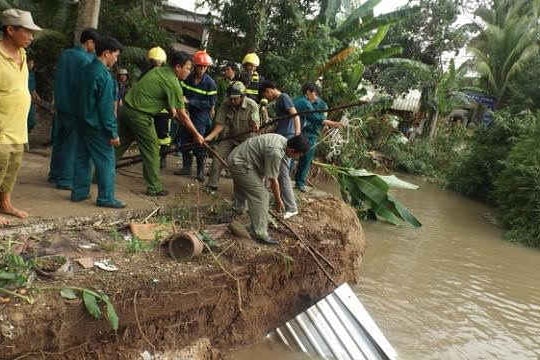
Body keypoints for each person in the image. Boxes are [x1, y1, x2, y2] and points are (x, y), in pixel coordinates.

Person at [115, 50, 204, 196]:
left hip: (126, 110)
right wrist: (196, 134)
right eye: (187, 68)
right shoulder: (173, 82)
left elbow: (166, 102)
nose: (189, 72)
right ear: (178, 67)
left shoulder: (159, 71)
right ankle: (154, 187)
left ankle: (97, 176)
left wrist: (172, 112)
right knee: (152, 150)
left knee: (119, 145)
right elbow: (182, 114)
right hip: (140, 115)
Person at [71, 36, 125, 208]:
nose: (116, 60)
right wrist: (113, 132)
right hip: (97, 126)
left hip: (82, 122)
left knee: (82, 157)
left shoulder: (86, 69)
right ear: (106, 53)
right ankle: (106, 197)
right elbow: (106, 109)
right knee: (107, 160)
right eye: (115, 56)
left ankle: (79, 193)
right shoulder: (104, 76)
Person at [228, 134, 309, 245]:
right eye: (298, 155)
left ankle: (236, 213)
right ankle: (260, 233)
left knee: (246, 188)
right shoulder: (275, 152)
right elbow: (273, 180)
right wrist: (278, 200)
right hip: (240, 163)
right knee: (261, 195)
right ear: (292, 150)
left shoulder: (283, 141)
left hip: (240, 158)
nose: (297, 158)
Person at [0, 8, 42, 225]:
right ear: (10, 30)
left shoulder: (23, 55)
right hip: (2, 128)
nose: (31, 37)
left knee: (12, 170)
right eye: (27, 32)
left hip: (18, 127)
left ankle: (5, 203)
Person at [48, 28, 100, 190]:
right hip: (75, 108)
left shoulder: (66, 55)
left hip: (61, 105)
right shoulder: (86, 60)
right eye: (95, 44)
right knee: (73, 143)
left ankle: (55, 174)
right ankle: (66, 179)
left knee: (60, 141)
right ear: (89, 42)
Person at [205, 81, 259, 191]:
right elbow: (220, 124)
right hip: (229, 137)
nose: (233, 101)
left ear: (242, 96)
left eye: (236, 98)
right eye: (231, 98)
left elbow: (256, 125)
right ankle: (212, 185)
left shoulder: (252, 105)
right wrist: (209, 137)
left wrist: (255, 125)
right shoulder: (226, 104)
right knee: (217, 158)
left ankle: (242, 190)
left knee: (242, 164)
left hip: (246, 140)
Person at [260, 80, 301, 218]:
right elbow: (281, 121)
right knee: (277, 173)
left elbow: (295, 115)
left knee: (283, 173)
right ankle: (281, 201)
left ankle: (291, 207)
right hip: (280, 139)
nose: (267, 97)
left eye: (266, 93)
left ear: (270, 89)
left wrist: (297, 134)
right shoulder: (278, 101)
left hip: (287, 140)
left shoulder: (284, 97)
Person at [293, 82, 343, 192]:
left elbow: (322, 119)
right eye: (314, 94)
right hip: (300, 132)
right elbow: (315, 117)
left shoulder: (322, 105)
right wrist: (333, 123)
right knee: (291, 155)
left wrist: (326, 126)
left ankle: (299, 182)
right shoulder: (304, 102)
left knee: (306, 159)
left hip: (312, 134)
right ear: (308, 92)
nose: (315, 97)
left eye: (316, 95)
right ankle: (286, 180)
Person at [176, 50, 217, 182]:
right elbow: (180, 92)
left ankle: (200, 171)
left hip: (201, 115)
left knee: (199, 142)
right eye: (200, 66)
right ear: (195, 66)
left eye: (205, 67)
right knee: (184, 139)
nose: (202, 69)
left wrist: (191, 102)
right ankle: (186, 167)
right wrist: (184, 105)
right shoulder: (187, 78)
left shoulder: (210, 83)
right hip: (187, 112)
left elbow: (210, 103)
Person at [143, 47, 172, 170]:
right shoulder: (146, 74)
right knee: (150, 136)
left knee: (163, 137)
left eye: (158, 62)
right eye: (153, 61)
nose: (156, 64)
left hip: (163, 112)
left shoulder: (166, 76)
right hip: (150, 111)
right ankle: (151, 159)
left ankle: (163, 157)